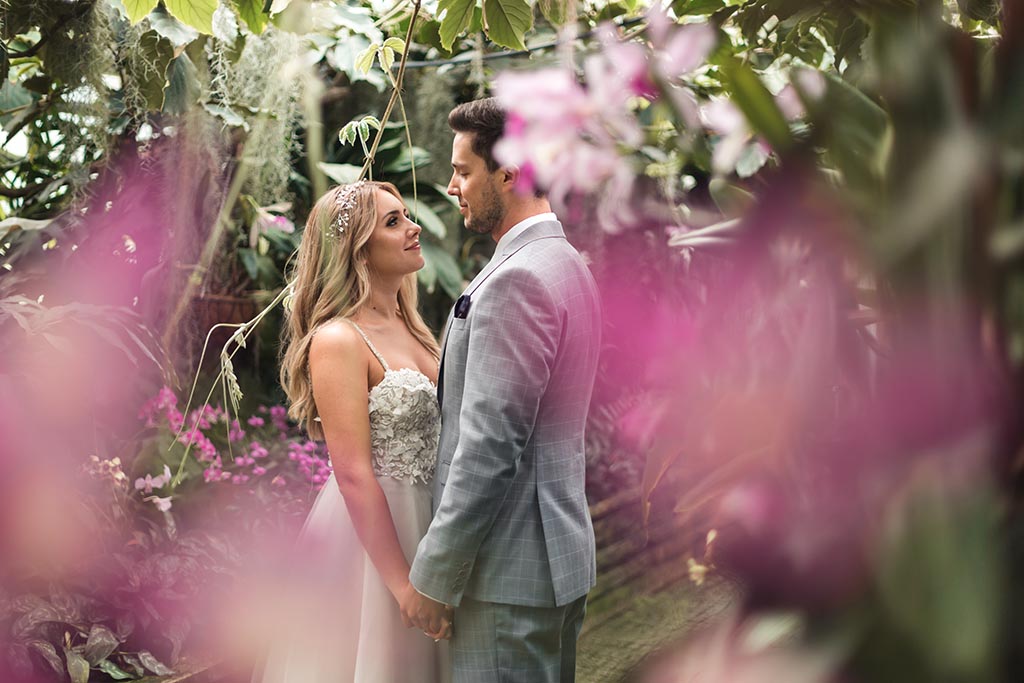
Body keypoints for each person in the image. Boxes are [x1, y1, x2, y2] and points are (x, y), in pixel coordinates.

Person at [400, 98, 603, 682]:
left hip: (506, 576)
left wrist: (435, 576)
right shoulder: (565, 263)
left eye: (464, 170)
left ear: (509, 172)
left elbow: (490, 446)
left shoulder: (518, 279)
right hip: (550, 562)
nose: (451, 185)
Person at [257, 181, 451, 682]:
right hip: (375, 544)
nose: (413, 229)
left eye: (405, 216)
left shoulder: (415, 330)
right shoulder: (339, 338)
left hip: (432, 523)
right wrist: (403, 586)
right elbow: (353, 473)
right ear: (356, 252)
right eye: (393, 222)